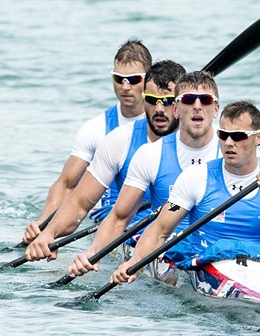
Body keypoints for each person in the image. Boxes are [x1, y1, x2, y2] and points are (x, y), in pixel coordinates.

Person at [110, 100, 260, 285]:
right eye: (223, 135)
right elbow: (160, 230)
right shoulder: (197, 177)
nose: (229, 143)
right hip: (204, 268)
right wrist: (134, 264)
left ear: (258, 137)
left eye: (238, 136)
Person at [24, 60, 186, 262]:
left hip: (190, 237)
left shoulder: (213, 145)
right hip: (133, 232)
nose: (160, 109)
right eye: (152, 100)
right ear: (143, 100)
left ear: (181, 103)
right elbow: (80, 202)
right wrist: (49, 234)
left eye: (168, 101)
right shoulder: (119, 140)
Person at [67, 70, 223, 277]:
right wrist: (92, 254)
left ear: (216, 109)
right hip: (166, 247)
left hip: (217, 247)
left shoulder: (234, 152)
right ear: (176, 109)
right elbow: (120, 217)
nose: (197, 106)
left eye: (205, 100)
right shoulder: (151, 154)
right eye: (188, 100)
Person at [22, 39, 152, 244]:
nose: (125, 87)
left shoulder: (167, 122)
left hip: (154, 216)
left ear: (149, 79)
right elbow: (66, 184)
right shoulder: (96, 128)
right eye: (119, 79)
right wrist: (44, 226)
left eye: (134, 79)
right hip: (111, 220)